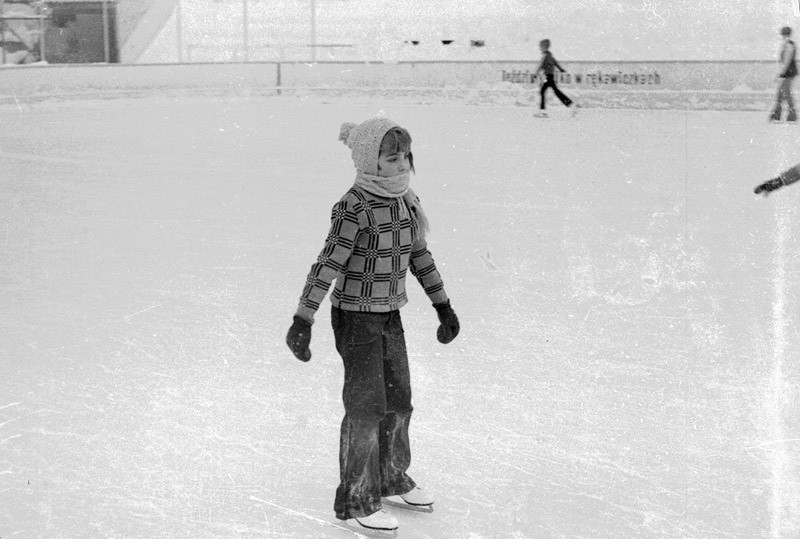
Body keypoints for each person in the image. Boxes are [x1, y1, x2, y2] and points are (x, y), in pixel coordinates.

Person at [285, 117, 460, 534]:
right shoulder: (355, 206)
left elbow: (419, 256)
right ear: (370, 161)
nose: (401, 165)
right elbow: (328, 264)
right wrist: (302, 317)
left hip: (389, 314)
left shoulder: (405, 201)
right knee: (366, 408)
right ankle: (356, 499)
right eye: (391, 158)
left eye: (405, 157)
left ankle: (391, 477)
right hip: (355, 318)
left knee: (400, 400)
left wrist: (443, 306)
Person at [534, 38, 577, 117]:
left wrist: (535, 74)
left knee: (544, 91)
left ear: (545, 47)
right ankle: (571, 104)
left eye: (541, 47)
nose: (540, 48)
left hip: (548, 77)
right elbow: (555, 63)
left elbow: (540, 65)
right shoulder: (550, 56)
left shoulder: (545, 56)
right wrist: (561, 69)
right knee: (554, 92)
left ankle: (543, 111)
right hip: (550, 76)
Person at [769, 26, 798, 123]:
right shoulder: (788, 43)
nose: (782, 36)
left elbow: (787, 60)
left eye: (783, 34)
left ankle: (789, 115)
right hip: (788, 72)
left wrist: (781, 73)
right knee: (782, 93)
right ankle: (781, 115)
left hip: (788, 72)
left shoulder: (788, 44)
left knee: (784, 93)